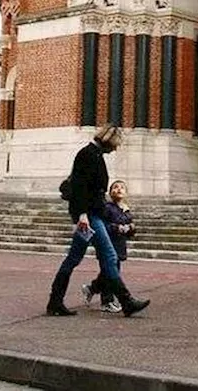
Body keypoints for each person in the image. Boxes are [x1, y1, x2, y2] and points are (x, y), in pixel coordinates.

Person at [46, 125, 150, 318]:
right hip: (89, 216)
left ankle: (55, 301)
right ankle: (126, 301)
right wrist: (83, 215)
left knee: (73, 258)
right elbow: (80, 188)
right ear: (108, 140)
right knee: (110, 256)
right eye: (115, 144)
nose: (115, 149)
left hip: (92, 214)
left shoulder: (94, 155)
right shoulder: (87, 155)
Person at [82, 179, 134, 313]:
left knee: (108, 273)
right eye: (115, 187)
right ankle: (107, 301)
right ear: (110, 193)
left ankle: (91, 289)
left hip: (119, 246)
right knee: (111, 273)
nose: (118, 189)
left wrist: (130, 228)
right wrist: (118, 228)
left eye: (122, 187)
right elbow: (104, 226)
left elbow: (130, 229)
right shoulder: (108, 208)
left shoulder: (126, 210)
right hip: (107, 244)